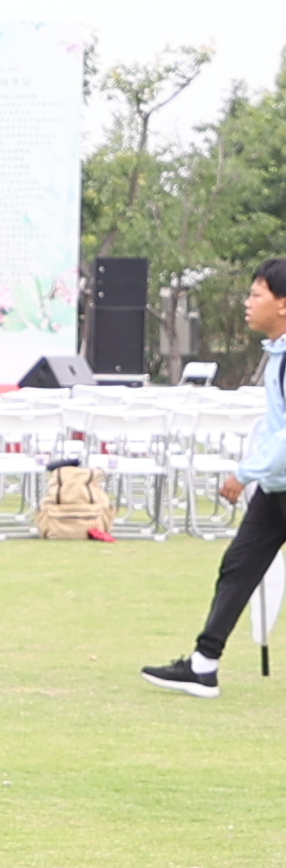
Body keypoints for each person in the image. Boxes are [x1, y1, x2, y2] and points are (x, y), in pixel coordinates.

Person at [141, 258, 286, 696]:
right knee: (239, 568)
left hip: (273, 479)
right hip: (277, 488)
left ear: (282, 304)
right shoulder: (276, 355)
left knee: (239, 567)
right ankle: (204, 665)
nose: (247, 303)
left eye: (256, 294)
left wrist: (244, 472)